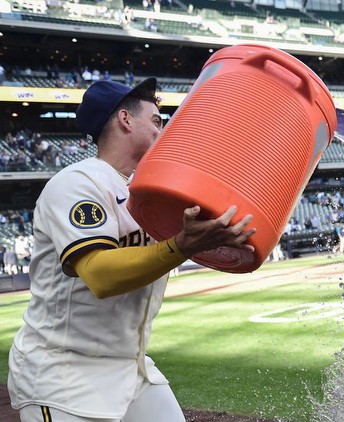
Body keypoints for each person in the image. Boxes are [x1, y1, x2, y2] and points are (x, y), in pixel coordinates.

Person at [7, 77, 256, 422]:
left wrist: (217, 237)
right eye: (156, 120)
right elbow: (99, 274)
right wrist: (182, 245)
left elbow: (176, 248)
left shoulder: (147, 193)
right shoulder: (79, 181)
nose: (162, 129)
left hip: (132, 367)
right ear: (125, 119)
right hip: (65, 374)